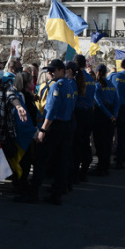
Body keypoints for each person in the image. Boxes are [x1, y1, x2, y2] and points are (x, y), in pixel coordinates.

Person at [15, 59, 76, 206]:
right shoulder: (70, 85)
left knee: (41, 160)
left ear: (62, 70)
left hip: (54, 127)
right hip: (67, 126)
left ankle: (33, 192)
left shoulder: (57, 86)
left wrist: (43, 130)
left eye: (53, 70)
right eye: (48, 70)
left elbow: (51, 111)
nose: (50, 73)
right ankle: (57, 194)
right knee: (62, 160)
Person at [90, 64, 119, 176]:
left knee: (99, 143)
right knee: (107, 143)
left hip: (101, 116)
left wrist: (109, 115)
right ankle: (105, 166)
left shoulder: (97, 86)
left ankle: (101, 167)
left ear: (97, 72)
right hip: (111, 116)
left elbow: (99, 104)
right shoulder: (111, 85)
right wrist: (114, 115)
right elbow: (117, 101)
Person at [71, 55, 95, 182]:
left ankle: (75, 173)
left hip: (78, 113)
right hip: (89, 113)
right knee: (86, 143)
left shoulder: (76, 78)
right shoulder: (90, 78)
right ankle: (84, 170)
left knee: (76, 144)